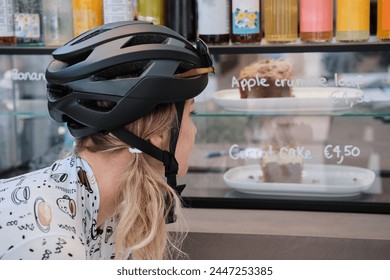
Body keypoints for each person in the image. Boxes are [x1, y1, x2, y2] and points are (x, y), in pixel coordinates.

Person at [0, 21, 214, 260]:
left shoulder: (113, 214)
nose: (194, 131)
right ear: (159, 134)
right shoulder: (49, 243)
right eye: (190, 115)